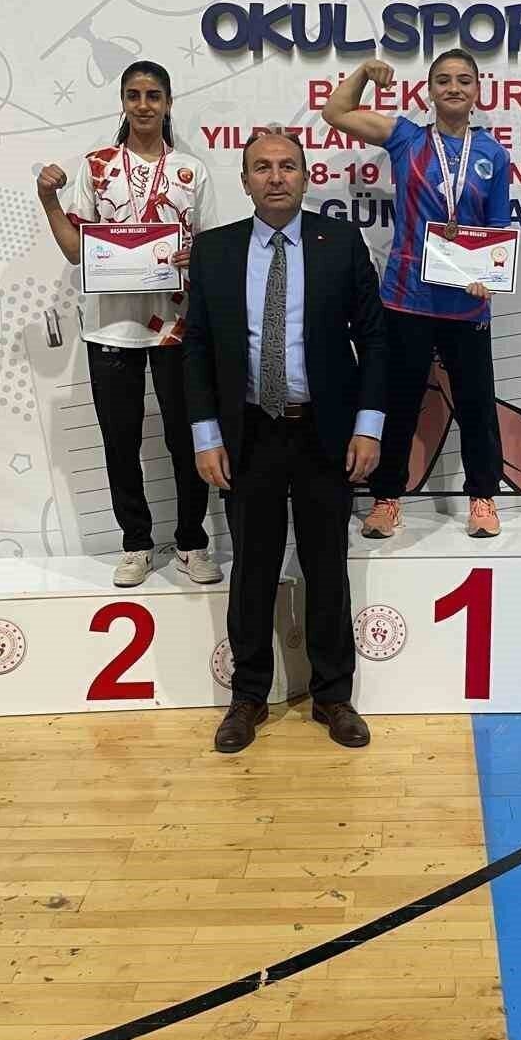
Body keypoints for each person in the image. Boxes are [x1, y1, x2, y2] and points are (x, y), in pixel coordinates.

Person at [184, 130, 388, 754]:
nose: (276, 177)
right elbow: (196, 348)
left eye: (288, 166)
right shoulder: (215, 250)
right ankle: (248, 696)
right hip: (249, 435)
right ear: (245, 180)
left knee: (327, 565)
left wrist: (369, 426)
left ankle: (333, 695)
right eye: (262, 167)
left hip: (325, 433)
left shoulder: (340, 243)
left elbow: (375, 338)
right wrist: (206, 435)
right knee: (253, 568)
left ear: (305, 177)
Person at [36, 60, 220, 589]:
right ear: (122, 102)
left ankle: (191, 542)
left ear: (168, 103)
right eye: (134, 95)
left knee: (186, 439)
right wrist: (48, 200)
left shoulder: (191, 170)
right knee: (121, 441)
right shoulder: (97, 167)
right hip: (110, 328)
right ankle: (136, 543)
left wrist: (196, 257)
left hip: (175, 326)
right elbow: (76, 250)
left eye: (153, 95)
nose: (143, 105)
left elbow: (212, 246)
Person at [321, 48, 511, 541]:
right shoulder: (406, 137)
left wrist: (488, 279)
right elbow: (336, 112)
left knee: (475, 403)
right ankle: (387, 498)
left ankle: (483, 496)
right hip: (407, 298)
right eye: (443, 79)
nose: (454, 87)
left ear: (477, 91)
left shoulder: (492, 154)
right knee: (398, 402)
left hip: (466, 301)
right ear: (429, 90)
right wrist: (364, 72)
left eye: (464, 80)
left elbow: (497, 227)